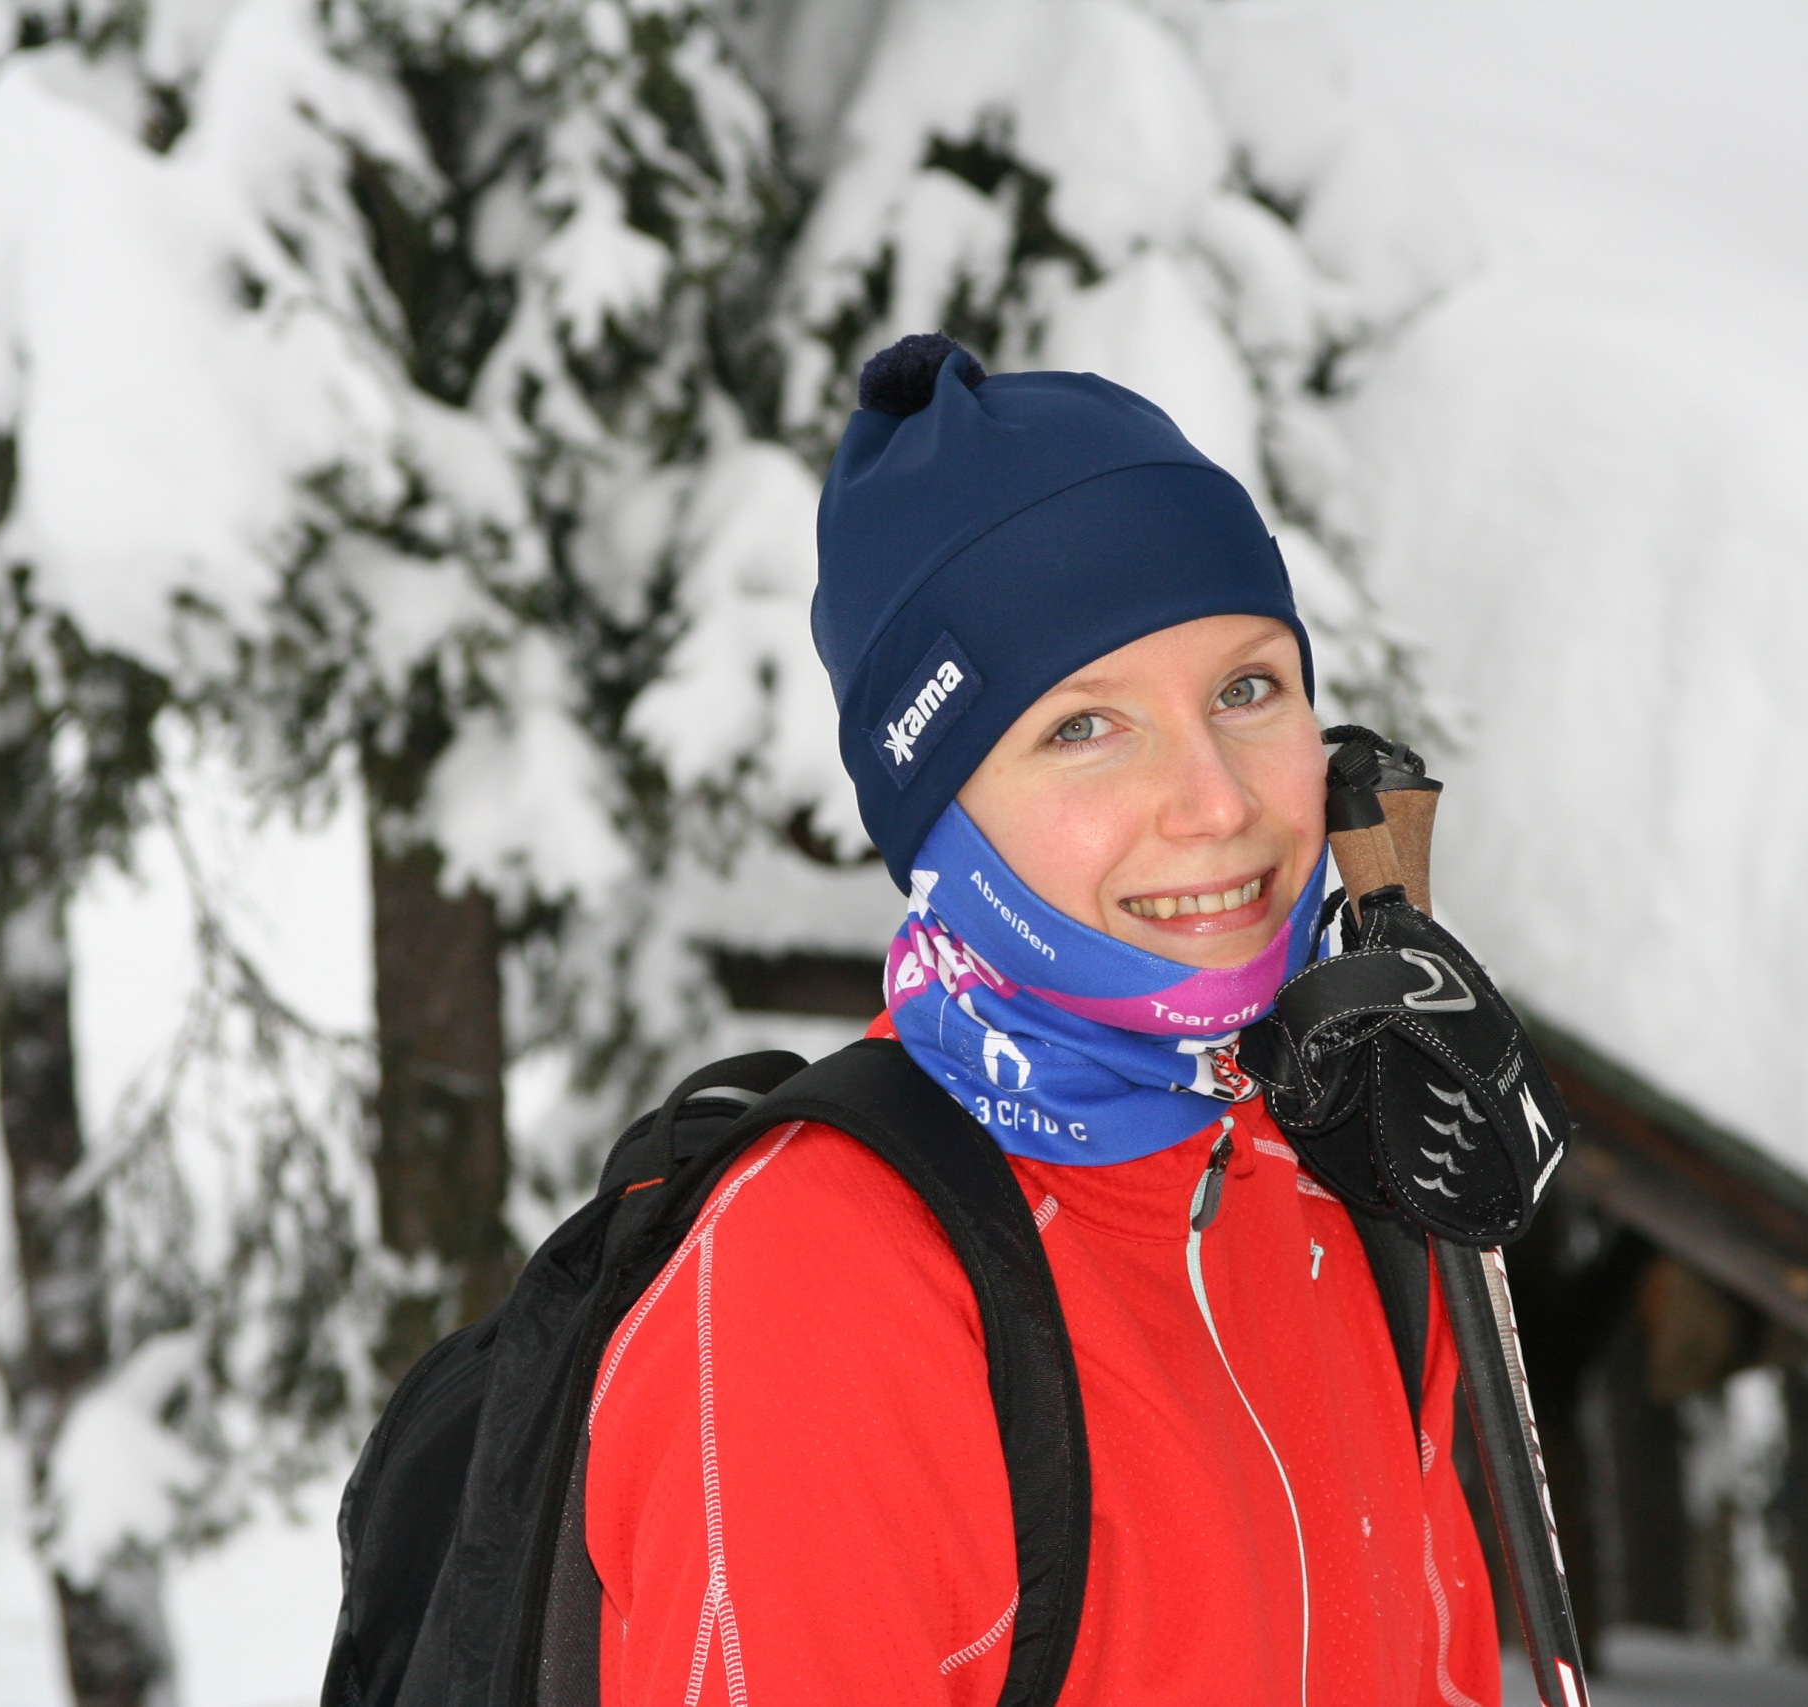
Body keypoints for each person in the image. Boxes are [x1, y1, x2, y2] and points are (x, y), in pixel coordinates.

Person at [582, 336, 1499, 1704]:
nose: (1218, 802)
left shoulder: (1336, 1178)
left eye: (1248, 689)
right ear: (938, 809)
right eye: (1082, 727)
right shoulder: (825, 1287)